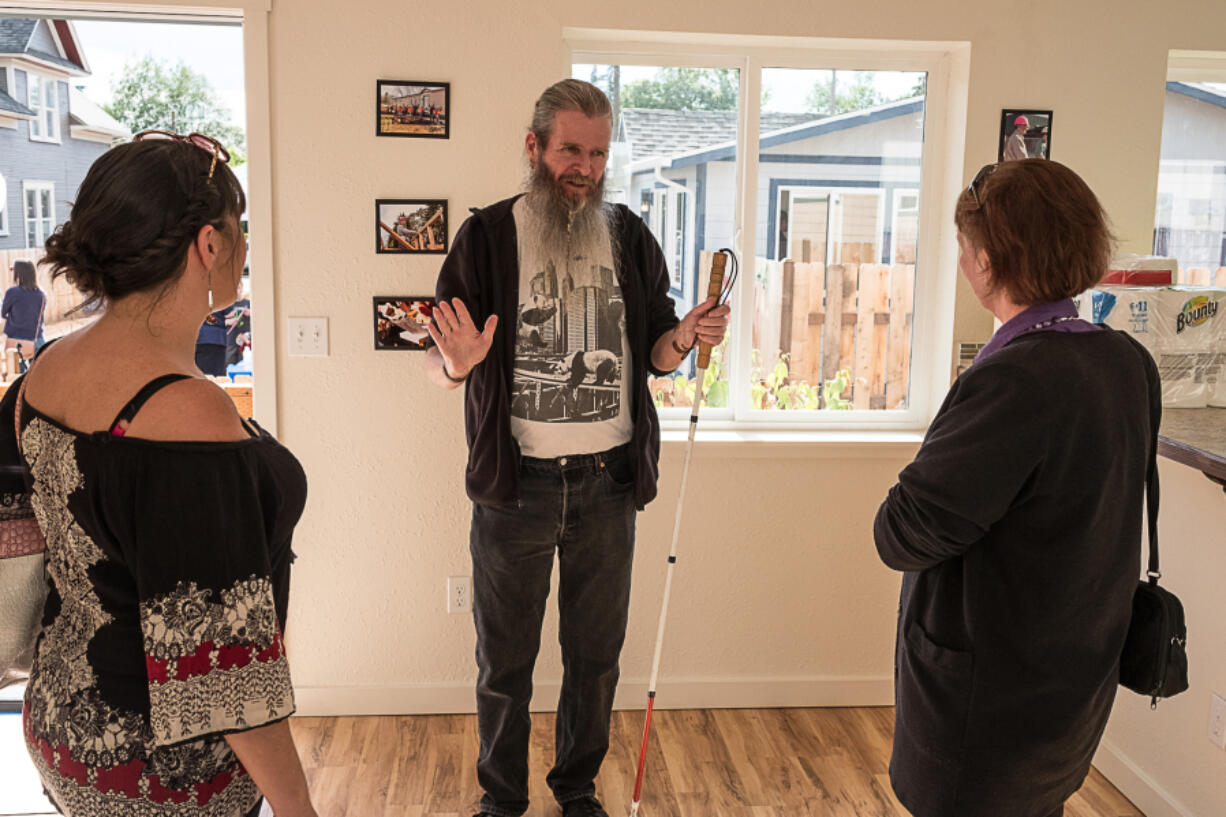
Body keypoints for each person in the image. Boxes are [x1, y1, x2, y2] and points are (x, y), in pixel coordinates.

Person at [427, 78, 729, 817]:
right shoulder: (488, 236)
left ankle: (577, 787)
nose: (584, 167)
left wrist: (685, 335)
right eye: (570, 149)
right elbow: (439, 358)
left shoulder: (628, 235)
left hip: (608, 484)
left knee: (594, 660)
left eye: (597, 152)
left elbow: (657, 351)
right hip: (515, 489)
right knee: (505, 663)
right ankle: (501, 799)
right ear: (534, 147)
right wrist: (459, 362)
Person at [2, 131, 317, 817]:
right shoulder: (187, 414)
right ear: (208, 245)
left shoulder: (48, 367)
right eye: (238, 231)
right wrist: (300, 807)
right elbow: (223, 674)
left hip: (59, 720)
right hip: (158, 762)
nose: (242, 247)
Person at [873, 159, 1157, 817]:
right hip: (1069, 686)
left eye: (967, 246)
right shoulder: (1123, 362)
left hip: (989, 707)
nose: (966, 259)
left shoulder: (1017, 379)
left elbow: (901, 531)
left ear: (988, 259)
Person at [3, 259, 47, 372]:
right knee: (39, 375)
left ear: (19, 273)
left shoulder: (12, 292)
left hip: (16, 341)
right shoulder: (42, 294)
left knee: (17, 378)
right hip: (38, 340)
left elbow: (3, 313)